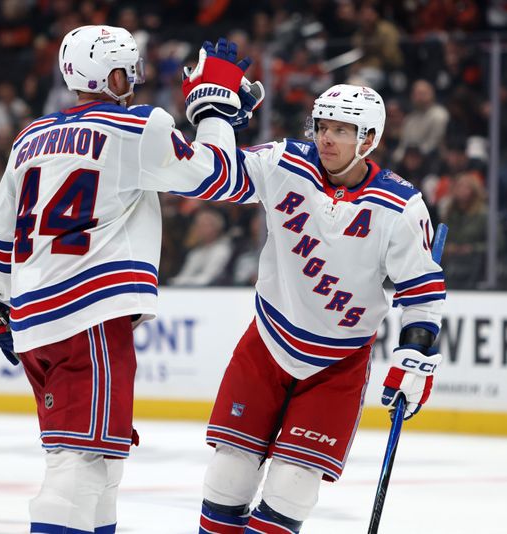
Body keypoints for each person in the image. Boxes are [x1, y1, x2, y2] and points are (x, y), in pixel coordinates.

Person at [0, 25, 254, 534]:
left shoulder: (29, 138)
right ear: (102, 74)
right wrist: (214, 112)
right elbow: (222, 177)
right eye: (126, 69)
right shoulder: (136, 127)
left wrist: (1, 309)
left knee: (98, 467)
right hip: (89, 316)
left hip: (36, 322)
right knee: (78, 472)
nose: (135, 78)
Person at [198, 84, 445, 533]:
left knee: (292, 487)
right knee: (226, 478)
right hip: (267, 343)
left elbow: (423, 294)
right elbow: (213, 177)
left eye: (341, 130)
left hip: (337, 364)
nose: (326, 138)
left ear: (369, 139)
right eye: (322, 127)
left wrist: (415, 361)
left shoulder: (400, 206)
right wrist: (215, 119)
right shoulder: (283, 162)